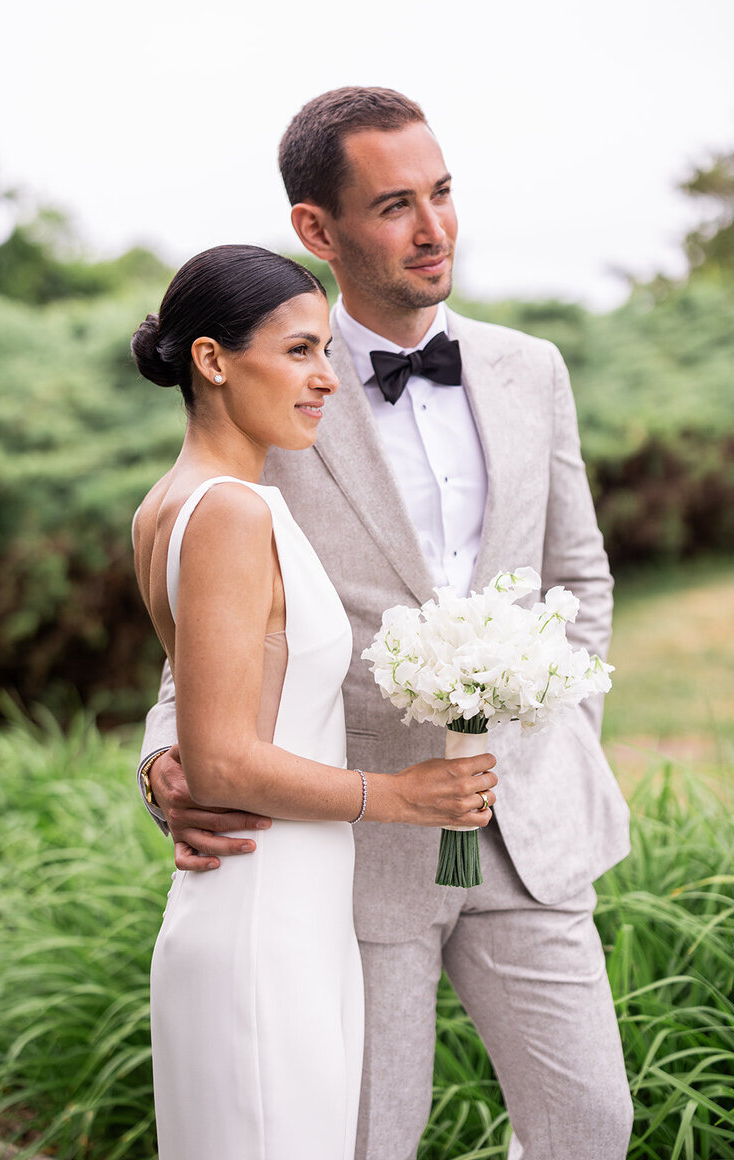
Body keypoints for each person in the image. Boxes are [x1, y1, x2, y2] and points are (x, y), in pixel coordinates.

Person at [138, 90, 633, 1160]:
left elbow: (576, 574)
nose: (433, 228)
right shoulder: (281, 388)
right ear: (316, 229)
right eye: (394, 204)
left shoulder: (528, 369)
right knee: (367, 1138)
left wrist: (559, 720)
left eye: (443, 193)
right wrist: (165, 753)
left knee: (589, 1122)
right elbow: (215, 602)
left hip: (532, 828)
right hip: (354, 851)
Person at [130, 243, 499, 1160]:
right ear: (213, 361)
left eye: (327, 350)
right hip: (263, 914)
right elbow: (219, 760)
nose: (329, 378)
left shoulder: (171, 505)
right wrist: (400, 797)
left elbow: (208, 716)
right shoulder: (231, 513)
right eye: (299, 351)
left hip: (281, 902)